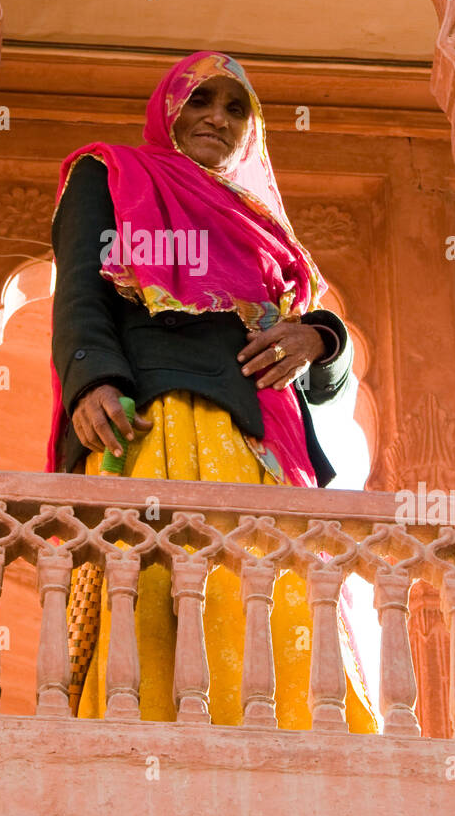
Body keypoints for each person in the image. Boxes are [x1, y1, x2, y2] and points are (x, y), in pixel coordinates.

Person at [47, 50, 376, 730]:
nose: (217, 119)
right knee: (155, 599)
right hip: (154, 419)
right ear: (167, 109)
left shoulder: (262, 227)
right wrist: (92, 380)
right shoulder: (109, 172)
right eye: (200, 101)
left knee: (273, 603)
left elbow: (322, 391)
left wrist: (322, 338)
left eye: (235, 108)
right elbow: (81, 290)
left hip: (267, 439)